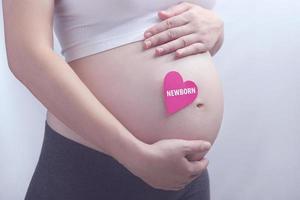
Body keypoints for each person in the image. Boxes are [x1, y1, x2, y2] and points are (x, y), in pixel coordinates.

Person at [3, 0, 224, 199]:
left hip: (188, 176)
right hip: (94, 168)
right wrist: (134, 156)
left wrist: (216, 28)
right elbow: (26, 54)